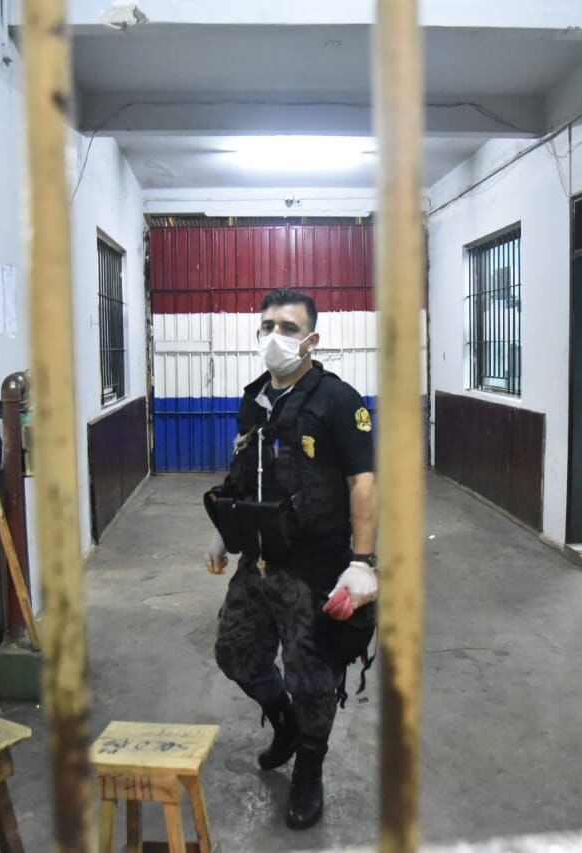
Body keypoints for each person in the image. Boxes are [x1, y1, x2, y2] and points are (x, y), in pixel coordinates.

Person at [204, 288, 378, 831]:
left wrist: (363, 561)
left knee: (314, 677)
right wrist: (223, 533)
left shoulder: (338, 401)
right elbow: (243, 468)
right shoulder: (254, 398)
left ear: (311, 339)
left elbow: (363, 483)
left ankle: (309, 767)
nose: (274, 336)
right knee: (234, 653)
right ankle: (284, 724)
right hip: (258, 560)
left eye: (288, 327)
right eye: (267, 326)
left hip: (315, 566)